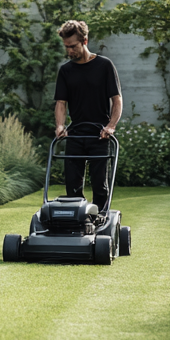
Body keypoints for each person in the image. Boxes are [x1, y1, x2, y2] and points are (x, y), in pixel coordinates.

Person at [53, 19, 122, 209]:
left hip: (100, 134)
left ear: (85, 41)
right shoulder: (66, 70)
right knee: (72, 185)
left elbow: (116, 100)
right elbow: (61, 102)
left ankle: (100, 219)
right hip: (75, 134)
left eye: (73, 46)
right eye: (66, 47)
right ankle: (77, 222)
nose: (69, 51)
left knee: (100, 185)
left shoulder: (104, 66)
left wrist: (111, 126)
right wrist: (60, 126)